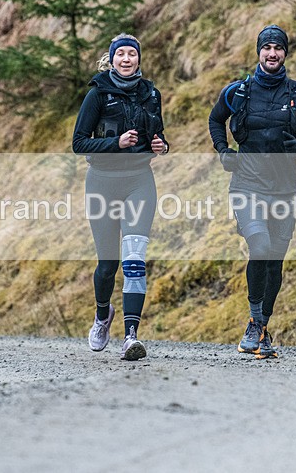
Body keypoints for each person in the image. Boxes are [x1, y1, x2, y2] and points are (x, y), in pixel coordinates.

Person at [208, 25, 296, 359]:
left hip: (285, 189)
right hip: (247, 185)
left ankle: (260, 326)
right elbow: (216, 120)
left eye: (278, 48)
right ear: (259, 52)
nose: (272, 53)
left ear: (285, 53)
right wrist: (223, 151)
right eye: (267, 48)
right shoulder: (238, 91)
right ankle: (254, 323)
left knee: (274, 261)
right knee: (259, 247)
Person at [72, 33, 169, 361]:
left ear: (139, 58)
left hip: (139, 181)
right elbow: (79, 143)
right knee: (107, 265)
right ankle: (102, 315)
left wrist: (161, 145)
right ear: (112, 59)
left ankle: (131, 336)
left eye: (132, 54)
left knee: (134, 259)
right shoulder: (97, 94)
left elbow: (158, 134)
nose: (127, 59)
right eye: (121, 54)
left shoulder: (151, 94)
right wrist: (116, 143)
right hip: (101, 183)